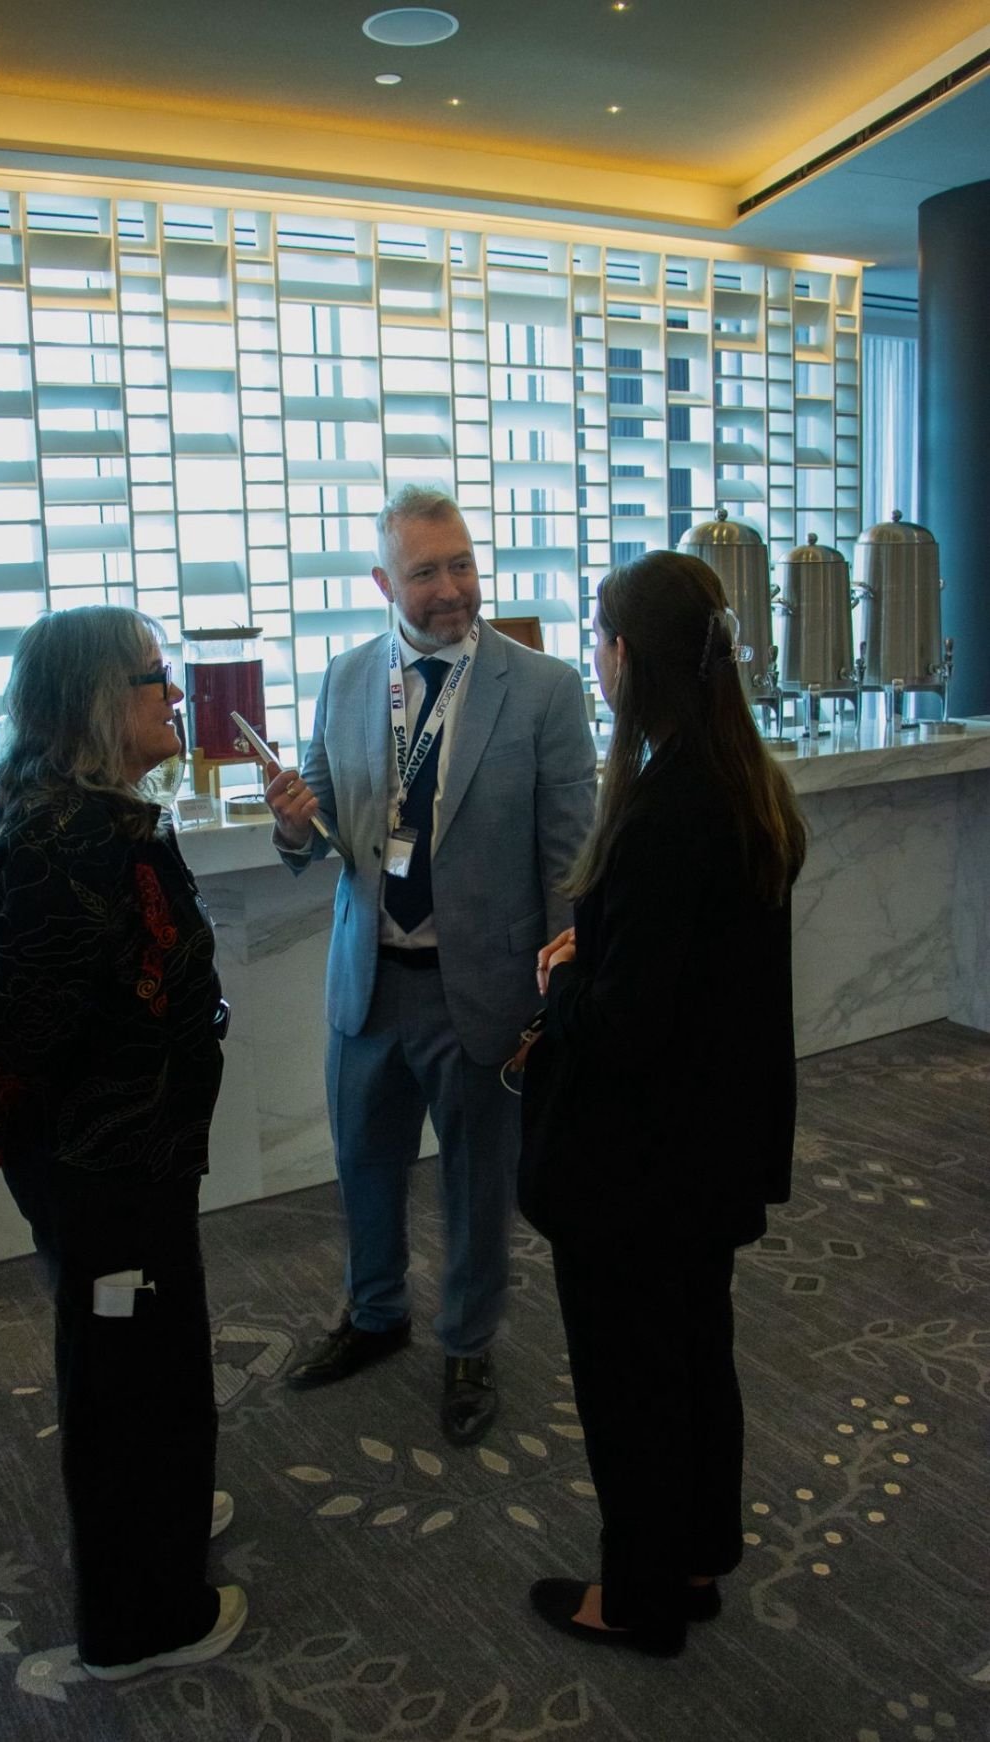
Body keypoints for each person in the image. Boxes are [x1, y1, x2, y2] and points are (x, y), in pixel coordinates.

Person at [0, 605, 246, 1680]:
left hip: (134, 1170)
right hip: (106, 1184)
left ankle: (159, 1520)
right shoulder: (67, 847)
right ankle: (138, 1617)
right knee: (126, 1367)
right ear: (92, 706)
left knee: (150, 1355)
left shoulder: (96, 822)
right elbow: (0, 1034)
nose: (175, 693)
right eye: (153, 677)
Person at [518, 550, 806, 1655]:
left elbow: (629, 1020)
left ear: (626, 653)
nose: (595, 657)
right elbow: (693, 966)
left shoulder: (660, 805)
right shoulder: (741, 783)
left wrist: (566, 977)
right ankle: (691, 1554)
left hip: (638, 1161)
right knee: (694, 1351)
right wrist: (598, 941)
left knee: (628, 1376)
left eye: (600, 638)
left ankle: (637, 1598)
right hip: (714, 1145)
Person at [265, 485, 596, 1446]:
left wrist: (563, 988)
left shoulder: (542, 688)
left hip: (482, 988)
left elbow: (568, 856)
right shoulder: (346, 677)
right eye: (425, 572)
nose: (451, 588)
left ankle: (466, 1340)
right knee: (362, 1166)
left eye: (461, 564)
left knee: (474, 1181)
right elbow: (321, 821)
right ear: (383, 581)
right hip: (367, 980)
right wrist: (293, 820)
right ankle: (375, 1317)